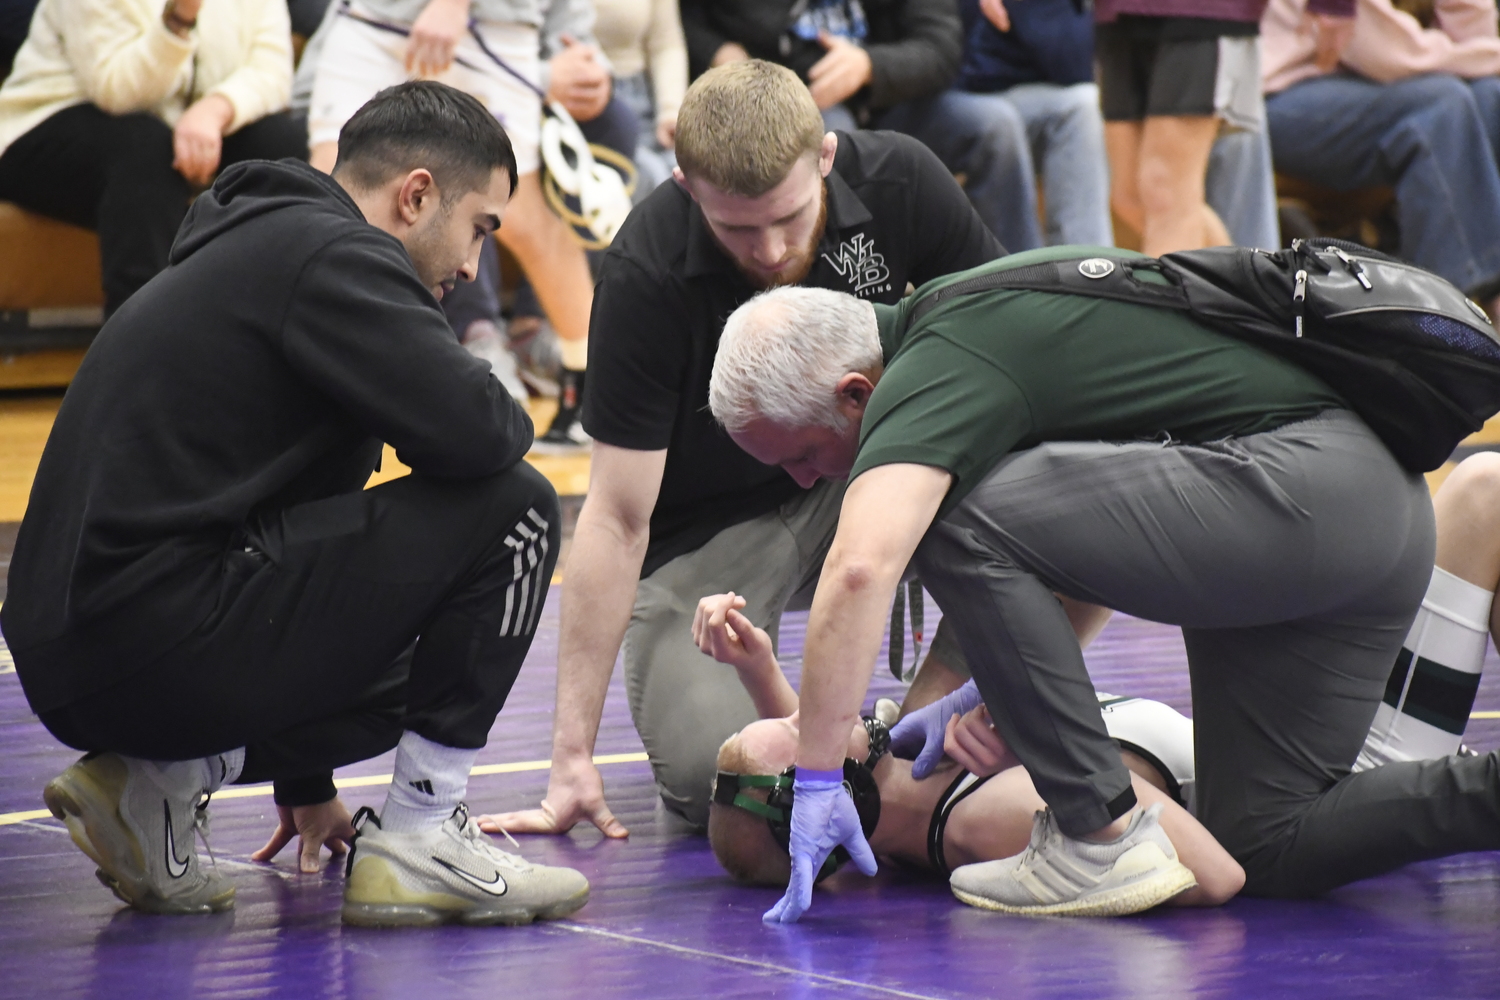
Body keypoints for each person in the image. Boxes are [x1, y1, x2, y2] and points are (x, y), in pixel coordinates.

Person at [705, 248, 1500, 923]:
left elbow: (859, 566)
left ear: (855, 394)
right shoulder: (965, 338)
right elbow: (1087, 561)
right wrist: (1001, 689)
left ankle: (1101, 837)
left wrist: (814, 778)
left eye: (802, 457)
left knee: (944, 518)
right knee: (1266, 842)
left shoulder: (932, 364)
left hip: (1311, 496)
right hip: (1338, 526)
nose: (808, 480)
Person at [6, 81, 588, 927]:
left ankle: (157, 782)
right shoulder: (333, 256)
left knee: (420, 663)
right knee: (521, 509)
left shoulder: (257, 242)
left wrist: (307, 783)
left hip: (78, 655)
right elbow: (487, 436)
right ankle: (424, 835)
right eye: (478, 230)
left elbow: (295, 519)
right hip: (155, 628)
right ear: (416, 194)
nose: (471, 268)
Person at [477, 60, 1004, 842]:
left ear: (826, 156)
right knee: (714, 786)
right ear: (688, 186)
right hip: (715, 534)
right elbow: (617, 519)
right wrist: (570, 757)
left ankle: (922, 721)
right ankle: (860, 746)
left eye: (789, 218)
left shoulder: (902, 185)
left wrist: (989, 686)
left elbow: (999, 368)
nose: (768, 250)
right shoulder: (646, 270)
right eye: (737, 228)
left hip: (872, 469)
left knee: (1012, 470)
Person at [693, 591, 1246, 907]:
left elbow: (796, 780)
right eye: (799, 730)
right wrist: (1049, 747)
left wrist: (758, 669)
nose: (809, 713)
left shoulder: (906, 793)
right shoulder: (987, 815)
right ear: (841, 800)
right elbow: (1218, 874)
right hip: (1256, 784)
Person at [302, 0, 606, 449]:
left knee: (520, 215)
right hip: (374, 17)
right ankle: (326, 380)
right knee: (333, 191)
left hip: (488, 23)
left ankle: (591, 397)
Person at [0, 0, 307, 316]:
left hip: (186, 125)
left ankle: (269, 334)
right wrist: (178, 20)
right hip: (51, 122)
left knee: (282, 147)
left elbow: (273, 68)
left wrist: (216, 109)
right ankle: (141, 349)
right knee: (146, 151)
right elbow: (114, 89)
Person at [683, 0, 1047, 254]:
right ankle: (864, 306)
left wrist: (869, 66)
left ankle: (1018, 283)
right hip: (790, 105)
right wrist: (718, 50)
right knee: (836, 149)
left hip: (890, 98)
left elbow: (942, 47)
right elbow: (684, 17)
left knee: (995, 127)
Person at [1262, 0, 1500, 317]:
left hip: (1357, 85)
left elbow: (1472, 31)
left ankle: (1479, 303)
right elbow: (1389, 52)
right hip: (1275, 94)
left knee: (1489, 96)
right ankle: (1437, 318)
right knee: (1443, 106)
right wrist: (1487, 57)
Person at [1095, 0, 1351, 257]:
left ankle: (1170, 296)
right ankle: (1248, 290)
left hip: (1207, 13)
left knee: (1165, 193)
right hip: (1117, 14)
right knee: (1130, 198)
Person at [955, 0, 1113, 247]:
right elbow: (1068, 58)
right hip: (947, 98)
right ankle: (1022, 275)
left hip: (1007, 94)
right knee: (999, 122)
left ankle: (1086, 268)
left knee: (1080, 106)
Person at [592, 0, 687, 200]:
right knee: (651, 179)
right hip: (586, 104)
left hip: (643, 101)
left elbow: (666, 44)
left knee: (690, 176)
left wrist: (671, 112)